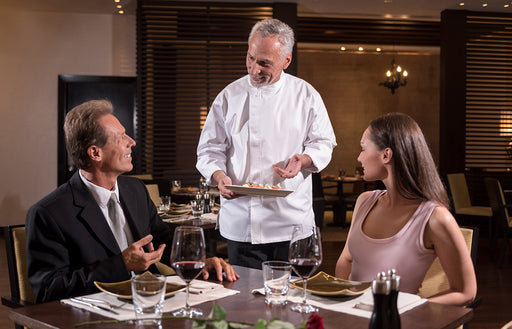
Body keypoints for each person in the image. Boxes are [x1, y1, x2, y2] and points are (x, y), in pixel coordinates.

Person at [26, 100, 239, 303]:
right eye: (121, 137)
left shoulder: (135, 189)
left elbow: (163, 241)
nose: (132, 142)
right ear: (95, 153)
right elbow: (48, 290)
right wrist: (121, 265)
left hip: (155, 301)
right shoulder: (49, 213)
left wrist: (200, 260)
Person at [196, 18, 336, 269]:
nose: (254, 69)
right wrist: (219, 177)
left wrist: (303, 160)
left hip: (291, 220)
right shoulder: (229, 96)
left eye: (264, 63)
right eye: (250, 58)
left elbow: (324, 143)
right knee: (244, 303)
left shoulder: (306, 95)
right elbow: (209, 149)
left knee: (290, 301)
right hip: (241, 221)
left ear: (286, 60)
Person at [335, 113, 477, 306]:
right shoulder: (364, 201)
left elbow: (465, 292)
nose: (359, 157)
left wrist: (402, 313)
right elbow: (346, 260)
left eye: (362, 148)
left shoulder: (435, 218)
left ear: (386, 155)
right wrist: (345, 304)